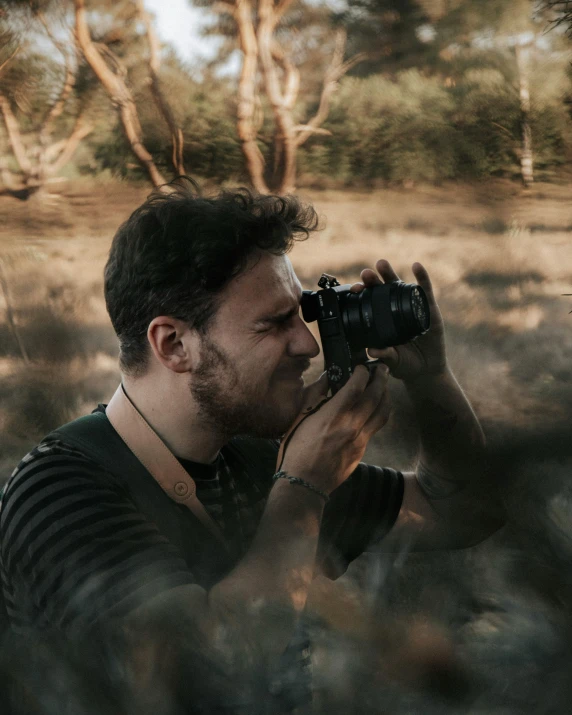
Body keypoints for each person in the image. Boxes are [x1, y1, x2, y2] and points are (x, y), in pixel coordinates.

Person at [0, 178, 502, 713]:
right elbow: (194, 677)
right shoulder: (60, 492)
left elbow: (464, 510)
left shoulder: (252, 458)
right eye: (275, 324)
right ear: (174, 345)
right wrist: (306, 485)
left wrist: (433, 379)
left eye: (301, 312)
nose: (307, 342)